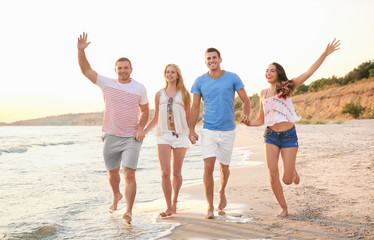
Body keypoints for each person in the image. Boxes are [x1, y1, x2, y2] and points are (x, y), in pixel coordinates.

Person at [242, 39, 341, 217]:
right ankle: (284, 207)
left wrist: (324, 54)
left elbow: (309, 72)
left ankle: (293, 172)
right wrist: (247, 121)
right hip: (270, 135)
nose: (268, 72)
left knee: (287, 180)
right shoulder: (263, 93)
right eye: (266, 70)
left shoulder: (288, 86)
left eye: (272, 70)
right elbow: (260, 119)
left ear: (279, 73)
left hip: (288, 136)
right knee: (272, 174)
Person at [77, 32, 149, 223]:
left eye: (126, 68)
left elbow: (145, 111)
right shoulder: (106, 83)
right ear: (115, 70)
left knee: (130, 173)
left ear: (131, 69)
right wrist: (80, 51)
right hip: (110, 135)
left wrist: (141, 128)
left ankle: (129, 210)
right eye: (120, 68)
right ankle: (116, 195)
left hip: (131, 138)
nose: (123, 71)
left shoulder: (140, 88)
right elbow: (86, 70)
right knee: (112, 172)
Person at [189, 48, 251, 219]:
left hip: (228, 129)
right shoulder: (199, 81)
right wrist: (191, 129)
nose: (211, 60)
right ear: (205, 61)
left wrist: (246, 113)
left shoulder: (232, 77)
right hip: (208, 129)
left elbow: (246, 100)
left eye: (214, 57)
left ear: (220, 59)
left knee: (224, 167)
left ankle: (222, 192)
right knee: (208, 167)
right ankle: (209, 206)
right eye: (208, 58)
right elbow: (195, 107)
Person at [144, 64, 191, 217]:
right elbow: (156, 118)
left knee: (176, 173)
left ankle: (175, 202)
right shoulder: (159, 95)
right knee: (165, 172)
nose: (169, 74)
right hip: (163, 134)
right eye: (167, 72)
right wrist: (144, 131)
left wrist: (192, 132)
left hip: (181, 135)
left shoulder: (184, 94)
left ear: (178, 75)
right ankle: (168, 206)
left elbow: (189, 116)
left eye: (172, 72)